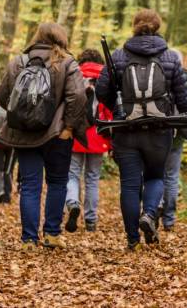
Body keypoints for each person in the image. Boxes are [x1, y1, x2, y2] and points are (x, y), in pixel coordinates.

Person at [95, 9, 187, 249]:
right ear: (157, 27)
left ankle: (133, 240)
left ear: (134, 26)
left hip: (126, 130)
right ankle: (149, 214)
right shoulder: (170, 57)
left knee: (129, 185)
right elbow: (184, 99)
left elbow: (102, 91)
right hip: (159, 130)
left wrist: (118, 106)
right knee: (156, 176)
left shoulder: (119, 56)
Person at [0, 22, 88, 250]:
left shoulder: (18, 62)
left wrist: (21, 116)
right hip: (58, 135)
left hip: (24, 135)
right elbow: (78, 95)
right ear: (61, 38)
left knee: (29, 185)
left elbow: (1, 95)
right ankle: (51, 234)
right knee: (57, 182)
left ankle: (28, 239)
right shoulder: (66, 62)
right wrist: (68, 127)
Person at [64, 49, 112, 234]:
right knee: (92, 178)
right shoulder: (105, 77)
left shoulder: (75, 74)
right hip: (98, 134)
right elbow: (109, 108)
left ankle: (73, 202)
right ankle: (91, 220)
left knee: (73, 174)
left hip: (76, 133)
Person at [159, 48, 187, 232]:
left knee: (154, 175)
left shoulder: (157, 79)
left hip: (156, 135)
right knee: (171, 177)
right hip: (177, 138)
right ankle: (169, 220)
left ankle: (155, 207)